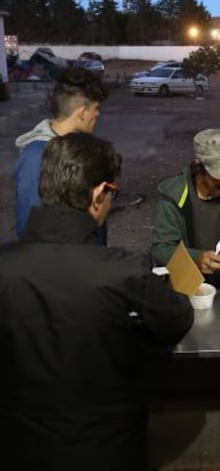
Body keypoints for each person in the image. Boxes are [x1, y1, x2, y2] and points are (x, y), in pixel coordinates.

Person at [0, 132, 194, 471]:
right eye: (112, 193)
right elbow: (177, 318)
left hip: (17, 449)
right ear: (98, 194)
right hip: (107, 450)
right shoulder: (125, 272)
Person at [151, 128, 220, 289]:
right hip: (183, 286)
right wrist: (196, 258)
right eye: (219, 176)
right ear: (198, 167)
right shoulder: (174, 196)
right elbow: (162, 248)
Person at [14, 66, 108, 239]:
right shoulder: (36, 156)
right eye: (96, 108)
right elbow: (28, 225)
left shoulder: (80, 148)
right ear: (82, 113)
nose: (98, 114)